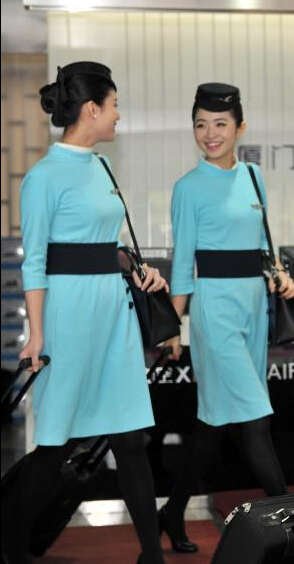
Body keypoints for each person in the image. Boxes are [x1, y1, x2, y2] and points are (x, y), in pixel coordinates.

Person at [4, 61, 168, 564]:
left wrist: (138, 269)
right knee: (53, 445)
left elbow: (107, 242)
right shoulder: (42, 177)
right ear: (92, 109)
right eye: (114, 105)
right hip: (68, 319)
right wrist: (36, 335)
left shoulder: (101, 166)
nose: (119, 115)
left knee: (131, 439)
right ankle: (9, 544)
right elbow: (36, 263)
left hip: (113, 316)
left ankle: (151, 555)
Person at [159, 83, 294, 553]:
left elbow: (263, 248)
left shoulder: (254, 176)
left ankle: (172, 510)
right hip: (214, 310)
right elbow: (182, 266)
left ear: (241, 127)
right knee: (256, 419)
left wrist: (280, 275)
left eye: (220, 124)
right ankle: (292, 526)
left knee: (214, 424)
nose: (209, 134)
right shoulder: (188, 187)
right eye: (200, 124)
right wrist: (172, 326)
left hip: (255, 306)